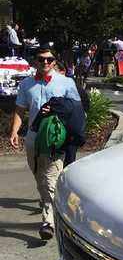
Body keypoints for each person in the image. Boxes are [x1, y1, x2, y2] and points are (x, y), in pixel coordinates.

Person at [8, 45, 82, 240]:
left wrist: (57, 111)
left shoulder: (66, 83)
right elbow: (19, 110)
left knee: (49, 177)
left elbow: (77, 110)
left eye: (49, 59)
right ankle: (49, 199)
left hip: (55, 137)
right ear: (35, 62)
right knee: (38, 174)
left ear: (55, 62)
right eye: (41, 59)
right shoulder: (26, 85)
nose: (45, 63)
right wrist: (14, 131)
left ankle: (48, 221)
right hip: (33, 137)